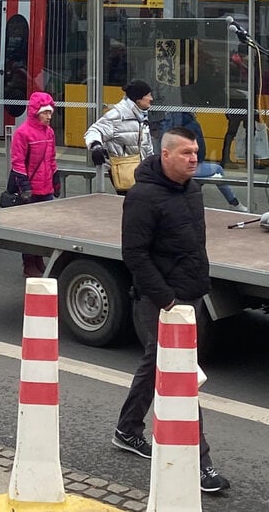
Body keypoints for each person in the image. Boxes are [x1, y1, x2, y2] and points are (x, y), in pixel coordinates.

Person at [115, 126, 230, 493]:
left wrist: (197, 286)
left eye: (196, 151)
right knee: (180, 377)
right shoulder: (142, 197)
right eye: (185, 152)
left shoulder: (192, 191)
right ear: (165, 155)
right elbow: (134, 253)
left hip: (190, 295)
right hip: (162, 301)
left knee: (155, 365)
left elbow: (192, 245)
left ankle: (127, 429)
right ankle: (200, 464)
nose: (194, 157)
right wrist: (166, 299)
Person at [9, 91, 59, 278]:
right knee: (30, 228)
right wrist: (25, 187)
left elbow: (52, 159)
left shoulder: (50, 132)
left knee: (44, 227)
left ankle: (39, 260)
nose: (49, 116)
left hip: (46, 187)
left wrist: (55, 179)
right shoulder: (22, 133)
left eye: (50, 112)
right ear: (36, 112)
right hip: (30, 189)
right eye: (45, 112)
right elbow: (18, 162)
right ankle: (29, 264)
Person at [85, 80, 155, 193]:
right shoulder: (117, 115)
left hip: (143, 173)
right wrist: (96, 146)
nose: (151, 98)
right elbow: (94, 130)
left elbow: (146, 145)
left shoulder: (141, 115)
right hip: (125, 174)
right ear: (138, 99)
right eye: (148, 95)